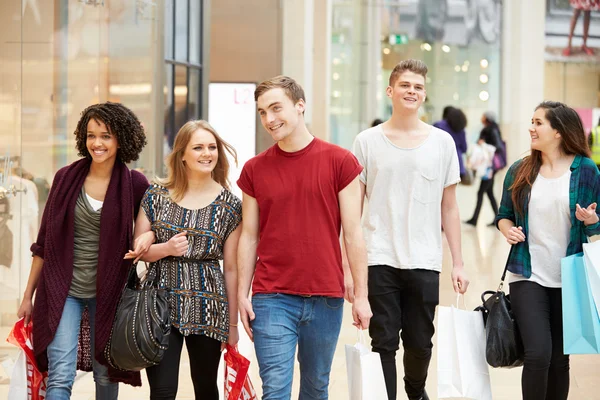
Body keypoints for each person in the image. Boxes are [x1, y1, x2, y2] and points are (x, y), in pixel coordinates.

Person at [237, 75, 372, 399]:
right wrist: (243, 293)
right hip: (272, 297)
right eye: (262, 112)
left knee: (315, 388)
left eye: (275, 108)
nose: (269, 119)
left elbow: (353, 234)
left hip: (326, 295)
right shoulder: (255, 169)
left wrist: (363, 294)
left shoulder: (340, 162)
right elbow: (249, 236)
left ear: (300, 106)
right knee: (276, 390)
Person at [17, 102, 153, 399]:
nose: (97, 143)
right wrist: (28, 296)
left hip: (110, 293)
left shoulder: (134, 183)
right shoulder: (66, 178)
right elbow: (43, 243)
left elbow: (151, 226)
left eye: (105, 136)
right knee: (60, 374)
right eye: (91, 135)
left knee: (105, 372)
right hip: (63, 290)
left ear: (121, 138)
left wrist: (149, 237)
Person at [351, 60, 469, 400]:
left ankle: (415, 392)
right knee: (383, 341)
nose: (411, 91)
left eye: (418, 86)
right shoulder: (367, 141)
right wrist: (350, 270)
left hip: (424, 258)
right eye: (405, 85)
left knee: (420, 342)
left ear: (424, 94)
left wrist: (458, 263)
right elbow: (353, 211)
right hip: (379, 256)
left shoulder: (442, 143)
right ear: (390, 91)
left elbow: (449, 207)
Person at [495, 101, 600, 400]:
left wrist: (591, 219)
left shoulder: (585, 170)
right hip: (528, 274)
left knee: (559, 360)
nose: (532, 127)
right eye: (532, 121)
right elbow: (503, 214)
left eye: (539, 122)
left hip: (570, 275)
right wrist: (507, 229)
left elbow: (596, 223)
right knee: (538, 353)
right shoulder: (521, 170)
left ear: (558, 131)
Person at [131, 120, 242, 400]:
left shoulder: (230, 205)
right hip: (159, 302)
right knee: (163, 390)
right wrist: (166, 248)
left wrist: (232, 326)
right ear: (182, 154)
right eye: (198, 147)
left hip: (208, 304)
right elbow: (138, 251)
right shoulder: (156, 195)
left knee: (205, 387)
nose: (207, 153)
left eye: (212, 147)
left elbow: (231, 268)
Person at [465, 111, 503, 227]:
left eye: (483, 116)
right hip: (489, 166)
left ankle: (475, 219)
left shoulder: (491, 130)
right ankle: (497, 218)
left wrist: (483, 144)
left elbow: (498, 147)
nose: (481, 117)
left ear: (487, 118)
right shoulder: (491, 128)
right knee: (489, 192)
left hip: (489, 167)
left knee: (481, 192)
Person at [434, 107, 468, 181]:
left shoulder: (439, 125)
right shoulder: (461, 130)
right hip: (457, 163)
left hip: (440, 161)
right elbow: (464, 148)